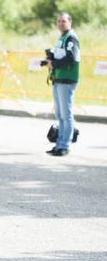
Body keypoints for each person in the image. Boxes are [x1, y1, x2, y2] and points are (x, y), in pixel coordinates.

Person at [43, 12, 80, 157]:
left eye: (63, 21)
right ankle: (59, 144)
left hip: (67, 79)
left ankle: (65, 145)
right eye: (58, 21)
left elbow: (70, 58)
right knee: (59, 114)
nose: (60, 23)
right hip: (58, 78)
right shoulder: (62, 37)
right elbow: (60, 55)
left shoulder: (71, 37)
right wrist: (50, 58)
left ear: (70, 21)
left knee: (66, 114)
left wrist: (54, 64)